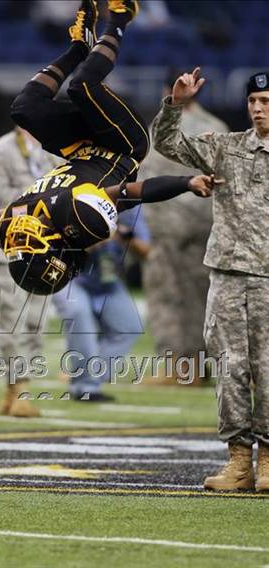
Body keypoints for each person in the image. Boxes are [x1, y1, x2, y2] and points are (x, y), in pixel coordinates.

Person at [0, 0, 219, 297]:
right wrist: (186, 183)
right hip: (122, 144)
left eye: (17, 244)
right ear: (53, 249)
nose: (20, 236)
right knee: (82, 86)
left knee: (24, 109)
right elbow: (136, 191)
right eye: (28, 244)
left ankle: (78, 48)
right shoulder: (79, 217)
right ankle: (121, 18)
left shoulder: (27, 216)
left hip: (79, 147)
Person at [152, 68, 269, 492]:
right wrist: (175, 105)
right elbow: (167, 143)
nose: (258, 109)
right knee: (229, 369)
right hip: (226, 275)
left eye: (266, 102)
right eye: (253, 102)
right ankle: (239, 463)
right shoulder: (227, 148)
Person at [138, 72, 229, 384]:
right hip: (207, 224)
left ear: (169, 91)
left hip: (167, 225)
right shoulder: (218, 127)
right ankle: (201, 367)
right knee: (203, 297)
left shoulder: (160, 128)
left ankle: (178, 368)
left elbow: (146, 178)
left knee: (167, 295)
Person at [0, 127, 60, 417]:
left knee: (36, 325)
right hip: (4, 252)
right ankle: (19, 389)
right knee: (12, 324)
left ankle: (14, 390)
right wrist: (38, 198)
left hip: (41, 251)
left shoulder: (51, 152)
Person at [53, 206, 150, 401]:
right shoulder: (76, 202)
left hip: (108, 281)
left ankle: (88, 378)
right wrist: (94, 238)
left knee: (130, 327)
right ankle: (84, 387)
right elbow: (63, 249)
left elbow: (146, 250)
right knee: (79, 317)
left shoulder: (130, 209)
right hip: (72, 278)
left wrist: (122, 237)